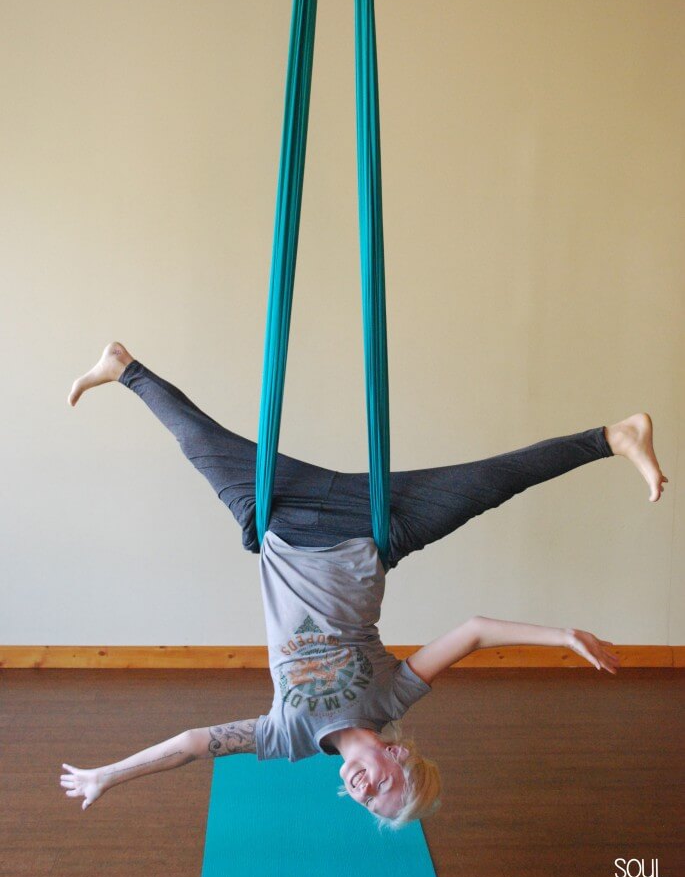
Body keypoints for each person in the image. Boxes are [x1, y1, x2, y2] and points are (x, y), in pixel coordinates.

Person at [60, 342, 667, 829]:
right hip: (368, 529)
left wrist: (108, 775)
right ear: (399, 756)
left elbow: (196, 744)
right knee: (488, 483)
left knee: (197, 442)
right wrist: (564, 636)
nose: (365, 789)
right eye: (386, 788)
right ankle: (613, 437)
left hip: (279, 519)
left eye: (369, 802)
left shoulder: (289, 736)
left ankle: (124, 367)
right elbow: (475, 631)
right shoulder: (390, 701)